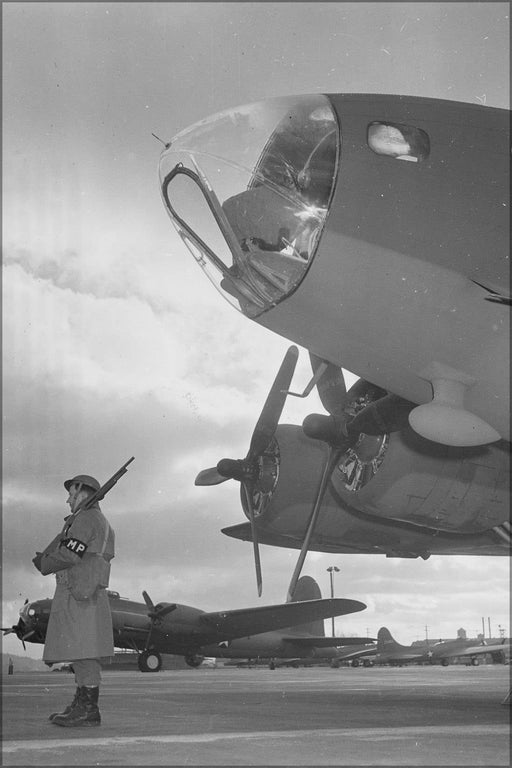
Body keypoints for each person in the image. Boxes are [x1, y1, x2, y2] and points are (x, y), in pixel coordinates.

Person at [32, 474, 115, 727]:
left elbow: (69, 553)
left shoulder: (86, 518)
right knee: (82, 651)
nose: (68, 500)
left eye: (72, 494)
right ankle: (83, 704)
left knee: (84, 652)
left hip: (79, 593)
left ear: (84, 493)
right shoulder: (99, 521)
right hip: (87, 591)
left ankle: (88, 709)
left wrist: (44, 563)